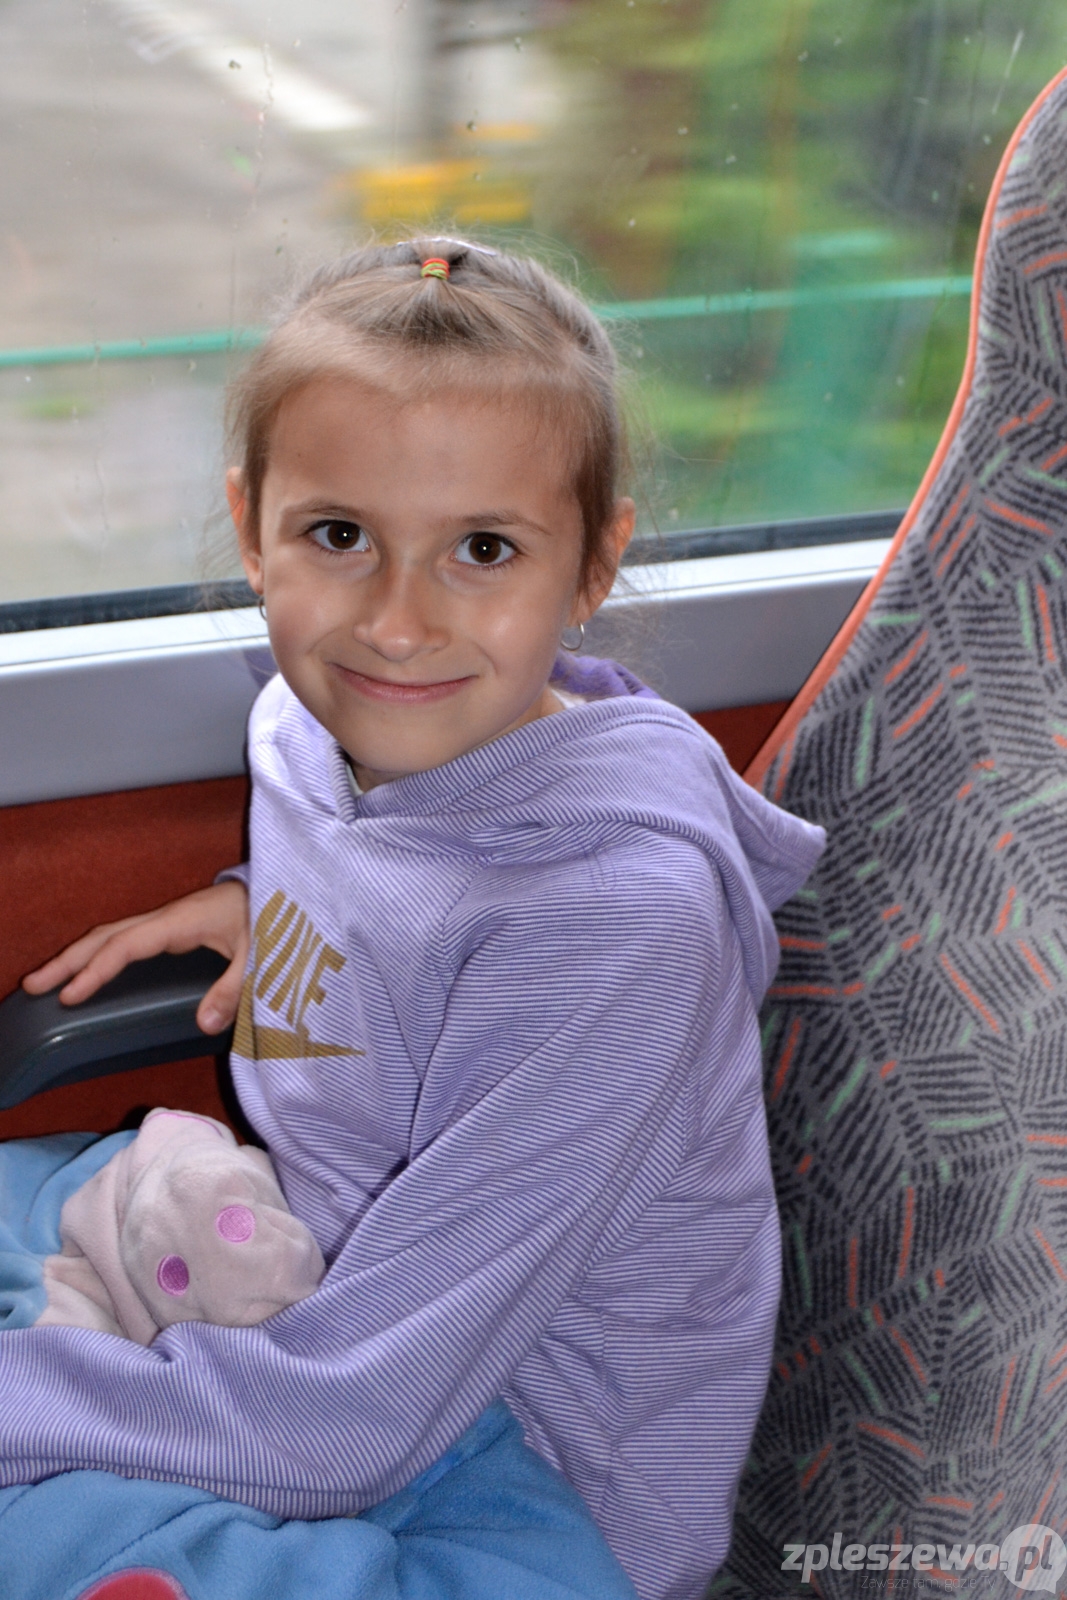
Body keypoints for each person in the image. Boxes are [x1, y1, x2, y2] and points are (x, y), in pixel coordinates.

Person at [9, 238, 824, 1600]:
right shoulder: (313, 728)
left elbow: (355, 1418)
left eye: (483, 550)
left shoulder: (621, 925)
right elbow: (408, 874)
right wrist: (262, 905)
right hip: (330, 1276)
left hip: (526, 1459)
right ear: (252, 524)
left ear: (593, 566)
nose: (395, 623)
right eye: (339, 536)